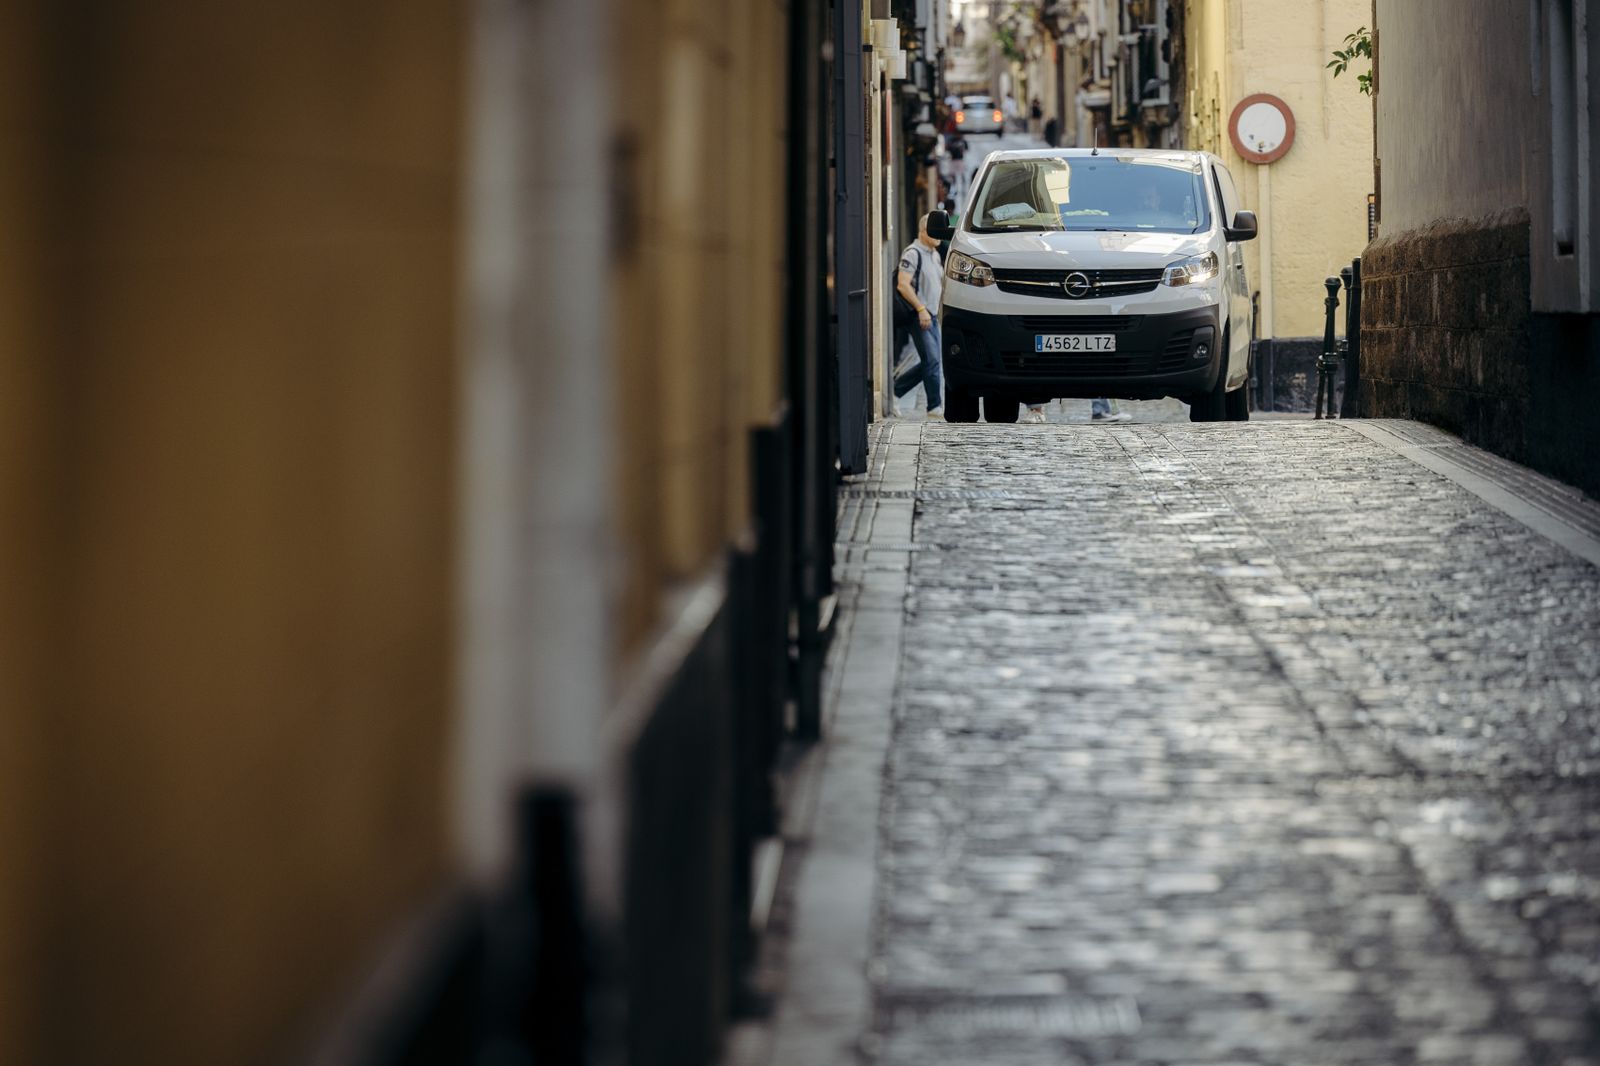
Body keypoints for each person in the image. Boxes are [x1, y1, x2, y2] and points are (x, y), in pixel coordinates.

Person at [892, 213, 945, 419]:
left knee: (931, 361)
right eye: (935, 232)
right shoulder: (912, 253)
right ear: (923, 232)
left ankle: (896, 391)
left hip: (931, 316)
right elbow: (903, 284)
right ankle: (934, 407)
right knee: (931, 360)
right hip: (918, 314)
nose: (939, 236)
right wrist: (921, 309)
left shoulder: (934, 254)